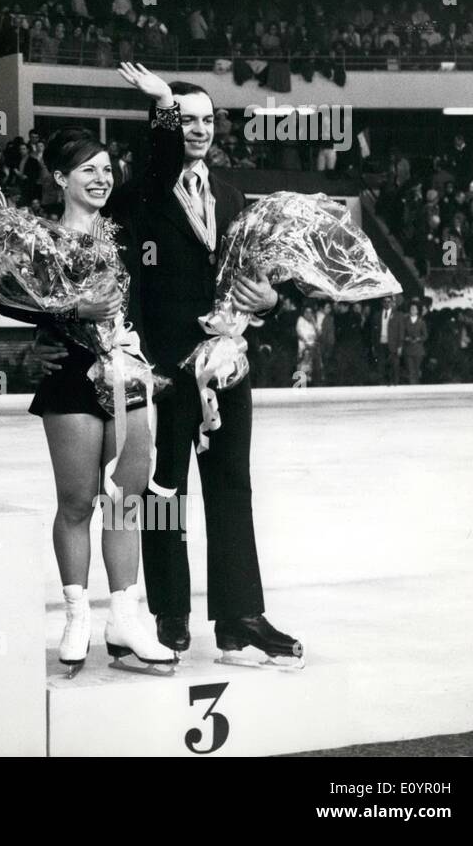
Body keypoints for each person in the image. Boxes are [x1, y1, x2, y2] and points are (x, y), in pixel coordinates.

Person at [113, 62, 303, 666]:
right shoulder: (141, 192)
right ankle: (171, 614)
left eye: (205, 120)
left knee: (231, 488)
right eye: (184, 120)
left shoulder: (230, 195)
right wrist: (142, 362)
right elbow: (132, 290)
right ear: (164, 126)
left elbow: (252, 277)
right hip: (165, 369)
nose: (197, 130)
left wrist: (272, 302)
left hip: (224, 368)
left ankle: (240, 616)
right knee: (163, 491)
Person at [0, 131, 175, 677]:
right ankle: (76, 615)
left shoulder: (126, 231)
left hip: (130, 373)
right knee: (76, 503)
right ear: (59, 179)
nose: (101, 179)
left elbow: (160, 167)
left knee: (126, 501)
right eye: (87, 171)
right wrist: (66, 314)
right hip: (71, 378)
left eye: (106, 170)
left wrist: (164, 108)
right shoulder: (39, 239)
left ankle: (125, 616)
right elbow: (5, 295)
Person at [369, 295, 405, 385]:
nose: (387, 304)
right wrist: (374, 344)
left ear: (392, 303)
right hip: (381, 343)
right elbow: (374, 332)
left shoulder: (398, 315)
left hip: (393, 344)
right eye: (385, 301)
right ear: (382, 303)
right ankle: (382, 384)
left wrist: (400, 345)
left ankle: (395, 384)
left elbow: (401, 331)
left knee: (394, 366)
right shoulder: (377, 315)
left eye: (389, 301)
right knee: (381, 365)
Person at [402, 300, 427, 384]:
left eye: (414, 309)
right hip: (408, 349)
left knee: (417, 369)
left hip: (418, 349)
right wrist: (406, 338)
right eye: (411, 309)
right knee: (410, 370)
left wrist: (418, 339)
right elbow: (402, 334)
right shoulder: (405, 321)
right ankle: (411, 385)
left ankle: (417, 385)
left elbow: (425, 335)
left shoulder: (421, 322)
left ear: (417, 310)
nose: (412, 310)